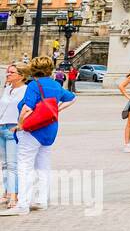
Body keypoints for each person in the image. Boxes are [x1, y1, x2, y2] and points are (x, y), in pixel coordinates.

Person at [6, 56, 76, 217]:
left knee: (24, 166)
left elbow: (27, 108)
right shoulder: (55, 85)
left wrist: (20, 124)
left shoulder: (33, 85)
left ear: (33, 69)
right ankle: (41, 200)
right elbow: (72, 98)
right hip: (50, 129)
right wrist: (57, 110)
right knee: (43, 166)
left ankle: (23, 204)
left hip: (33, 130)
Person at [1, 64, 29, 210]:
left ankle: (14, 195)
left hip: (13, 129)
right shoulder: (7, 89)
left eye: (11, 72)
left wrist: (20, 124)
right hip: (1, 127)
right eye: (7, 72)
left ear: (21, 75)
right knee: (5, 164)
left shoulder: (25, 90)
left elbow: (29, 109)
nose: (8, 74)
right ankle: (7, 191)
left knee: (12, 164)